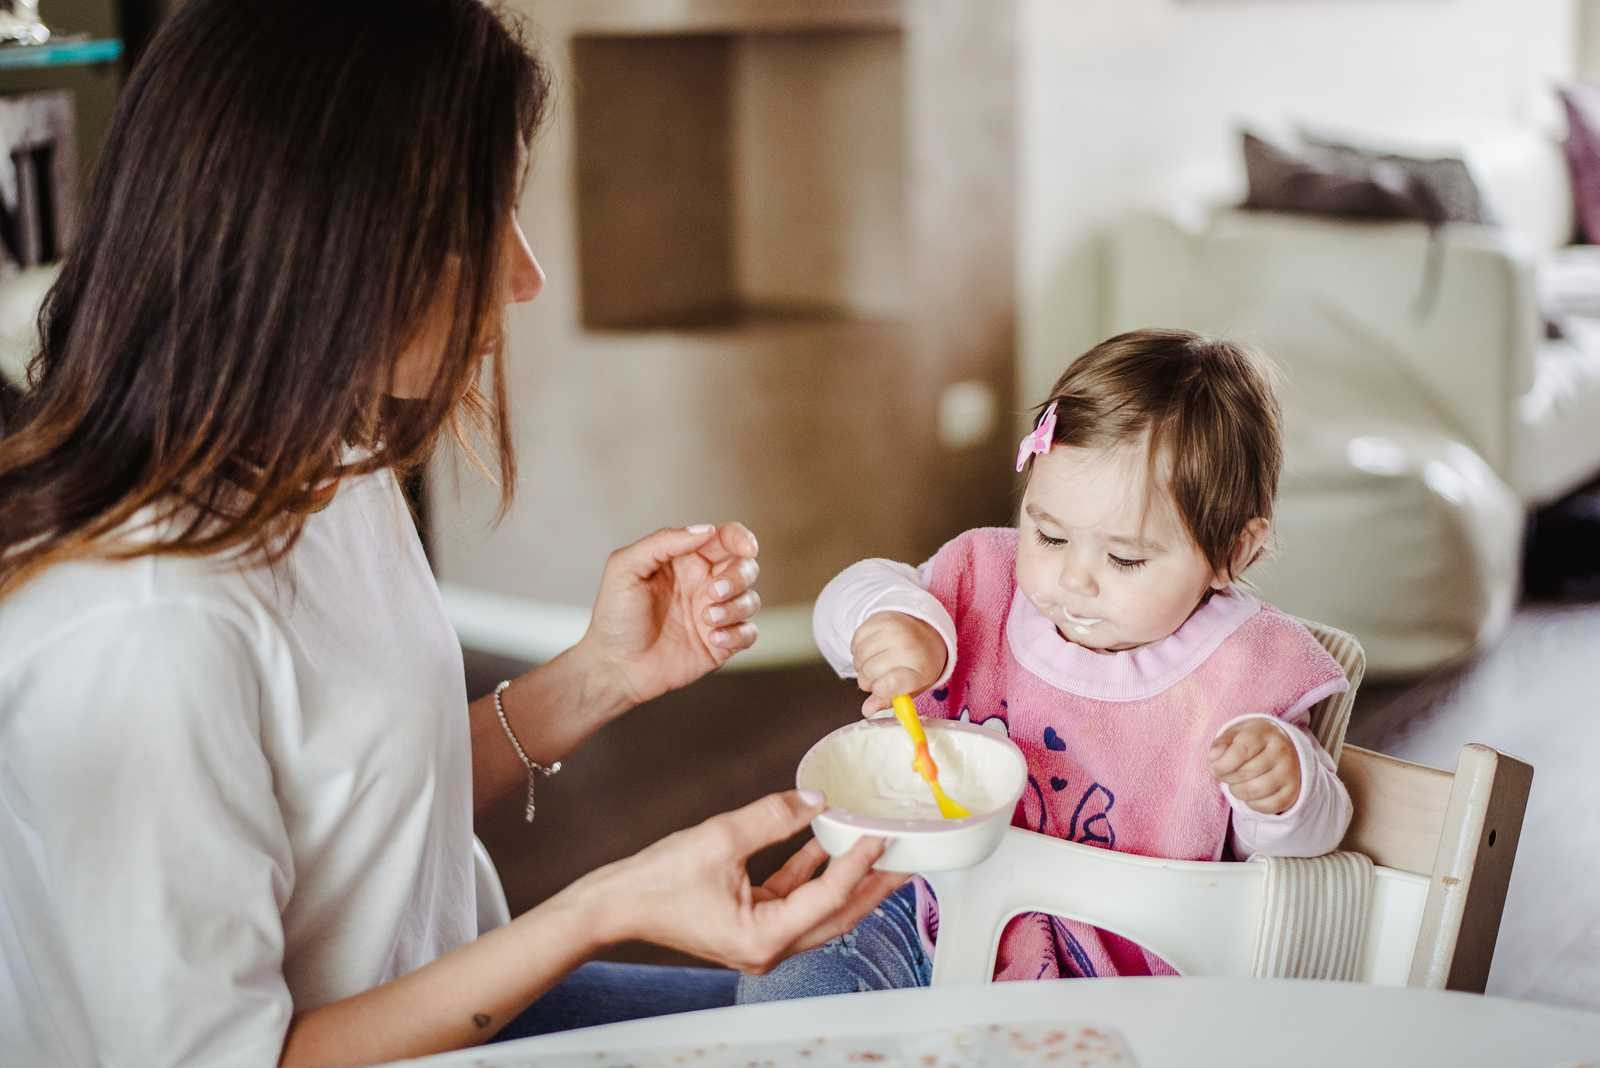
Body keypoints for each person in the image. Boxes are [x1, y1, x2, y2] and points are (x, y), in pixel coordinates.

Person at [0, 3, 903, 1065]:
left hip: (447, 1001)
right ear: (327, 241)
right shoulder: (138, 630)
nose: (525, 277)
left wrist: (599, 676)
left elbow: (365, 812)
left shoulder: (325, 462)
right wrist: (598, 909)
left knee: (856, 1031)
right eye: (483, 225)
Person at [739, 329, 1354, 1001]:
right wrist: (892, 621)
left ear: (1234, 550)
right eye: (1050, 534)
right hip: (918, 911)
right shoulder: (983, 585)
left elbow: (1313, 841)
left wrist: (1284, 787)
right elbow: (849, 596)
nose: (1073, 579)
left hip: (1111, 977)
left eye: (1125, 558)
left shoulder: (1241, 670)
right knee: (785, 984)